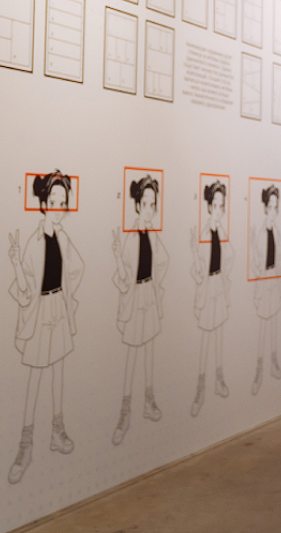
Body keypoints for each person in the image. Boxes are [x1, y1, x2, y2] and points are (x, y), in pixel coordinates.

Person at [7, 171, 84, 484]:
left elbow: (76, 269)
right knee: (37, 375)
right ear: (43, 203)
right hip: (40, 312)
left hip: (58, 307)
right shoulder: (33, 242)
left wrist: (66, 298)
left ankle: (57, 431)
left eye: (62, 202)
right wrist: (15, 263)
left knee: (58, 370)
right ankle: (25, 445)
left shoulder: (63, 238)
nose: (58, 207)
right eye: (53, 201)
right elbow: (24, 288)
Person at [111, 175, 168, 443]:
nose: (148, 209)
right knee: (133, 352)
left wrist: (156, 286)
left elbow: (163, 261)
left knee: (150, 349)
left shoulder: (153, 235)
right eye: (144, 204)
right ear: (137, 205)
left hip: (149, 295)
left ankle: (148, 401)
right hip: (136, 297)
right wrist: (116, 258)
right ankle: (125, 411)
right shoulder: (130, 236)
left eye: (152, 204)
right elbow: (123, 276)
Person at [189, 179, 233, 416]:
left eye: (221, 206)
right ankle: (200, 386)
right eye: (215, 205)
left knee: (219, 334)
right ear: (208, 207)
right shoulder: (203, 233)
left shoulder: (222, 232)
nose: (218, 210)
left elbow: (229, 257)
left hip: (219, 286)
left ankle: (219, 378)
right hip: (208, 289)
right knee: (207, 335)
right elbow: (197, 272)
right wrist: (193, 253)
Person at [250, 184, 281, 394]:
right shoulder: (260, 233)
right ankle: (259, 368)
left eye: (275, 207)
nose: (273, 211)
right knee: (263, 323)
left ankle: (273, 361)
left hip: (274, 281)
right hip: (264, 282)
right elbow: (255, 263)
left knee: (274, 322)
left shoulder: (276, 232)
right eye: (270, 207)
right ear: (265, 208)